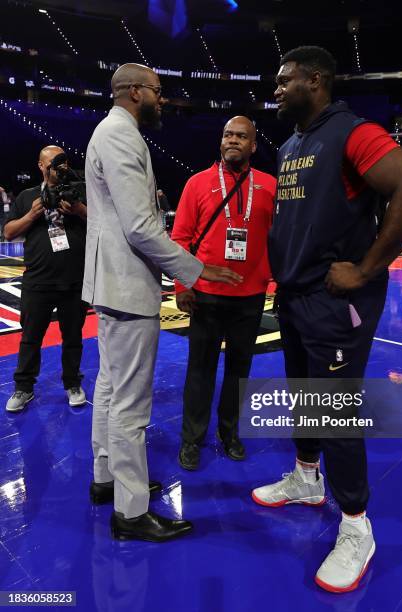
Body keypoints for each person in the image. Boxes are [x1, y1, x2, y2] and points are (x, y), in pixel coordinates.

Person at [251, 46, 402, 593]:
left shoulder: (355, 132)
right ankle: (307, 479)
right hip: (295, 295)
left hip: (337, 300)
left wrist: (365, 268)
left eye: (286, 80)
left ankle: (356, 524)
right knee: (304, 395)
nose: (277, 88)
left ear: (318, 79)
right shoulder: (289, 145)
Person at [83, 63, 242, 543]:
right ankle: (130, 512)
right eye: (157, 91)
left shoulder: (111, 131)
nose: (162, 99)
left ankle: (107, 478)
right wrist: (194, 268)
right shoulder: (121, 135)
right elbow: (139, 227)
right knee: (131, 404)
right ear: (135, 92)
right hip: (127, 287)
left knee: (111, 388)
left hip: (111, 284)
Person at [172, 116, 276, 470]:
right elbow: (180, 238)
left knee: (239, 372)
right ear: (221, 141)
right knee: (199, 372)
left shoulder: (269, 186)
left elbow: (278, 240)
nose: (233, 140)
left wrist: (274, 280)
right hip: (205, 295)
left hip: (250, 296)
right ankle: (192, 439)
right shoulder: (197, 183)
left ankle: (230, 433)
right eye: (228, 134)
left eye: (241, 136)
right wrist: (182, 284)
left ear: (253, 145)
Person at [3, 146, 88, 412]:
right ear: (41, 166)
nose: (60, 168)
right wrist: (31, 214)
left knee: (73, 336)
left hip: (75, 280)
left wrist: (79, 210)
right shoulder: (28, 195)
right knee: (30, 337)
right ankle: (24, 387)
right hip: (37, 281)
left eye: (63, 163)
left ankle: (72, 383)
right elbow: (8, 233)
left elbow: (103, 223)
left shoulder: (80, 193)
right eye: (53, 163)